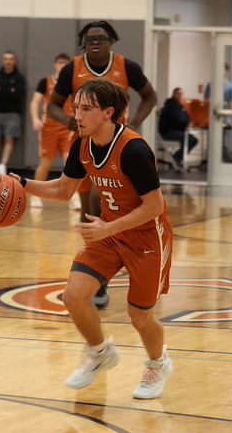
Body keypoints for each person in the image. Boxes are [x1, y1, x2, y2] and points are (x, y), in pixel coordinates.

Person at [10, 78, 173, 399]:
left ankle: (158, 363)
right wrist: (22, 183)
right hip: (108, 232)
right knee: (73, 296)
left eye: (86, 109)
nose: (77, 115)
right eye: (75, 108)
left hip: (146, 238)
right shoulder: (81, 144)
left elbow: (155, 207)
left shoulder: (134, 149)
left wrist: (108, 228)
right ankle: (99, 353)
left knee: (139, 317)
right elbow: (63, 189)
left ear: (109, 113)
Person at [46, 20, 158, 310]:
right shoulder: (72, 68)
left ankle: (115, 268)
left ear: (112, 41)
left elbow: (150, 96)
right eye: (90, 38)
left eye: (102, 37)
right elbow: (53, 105)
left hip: (119, 144)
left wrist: (134, 123)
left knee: (105, 201)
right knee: (88, 211)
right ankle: (97, 271)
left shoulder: (126, 66)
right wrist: (66, 119)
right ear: (83, 43)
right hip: (85, 143)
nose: (96, 42)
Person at [28, 52, 78, 209]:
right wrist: (35, 119)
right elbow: (35, 102)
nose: (62, 65)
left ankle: (75, 196)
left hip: (66, 127)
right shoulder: (45, 82)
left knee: (70, 162)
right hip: (48, 128)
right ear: (55, 64)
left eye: (65, 62)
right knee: (45, 164)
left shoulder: (72, 83)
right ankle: (35, 196)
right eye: (60, 62)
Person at [0, 51, 27, 175]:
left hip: (13, 114)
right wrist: (9, 90)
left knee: (9, 139)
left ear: (14, 61)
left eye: (10, 59)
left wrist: (1, 90)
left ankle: (3, 165)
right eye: (6, 59)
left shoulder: (19, 78)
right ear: (2, 61)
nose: (8, 61)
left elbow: (18, 95)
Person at [158, 88, 197, 172]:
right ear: (173, 95)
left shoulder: (181, 107)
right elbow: (177, 121)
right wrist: (186, 122)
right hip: (168, 132)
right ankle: (176, 158)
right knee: (189, 139)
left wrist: (188, 122)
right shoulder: (170, 106)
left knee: (193, 140)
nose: (180, 96)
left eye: (181, 94)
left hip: (178, 131)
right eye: (178, 94)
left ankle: (176, 157)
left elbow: (186, 119)